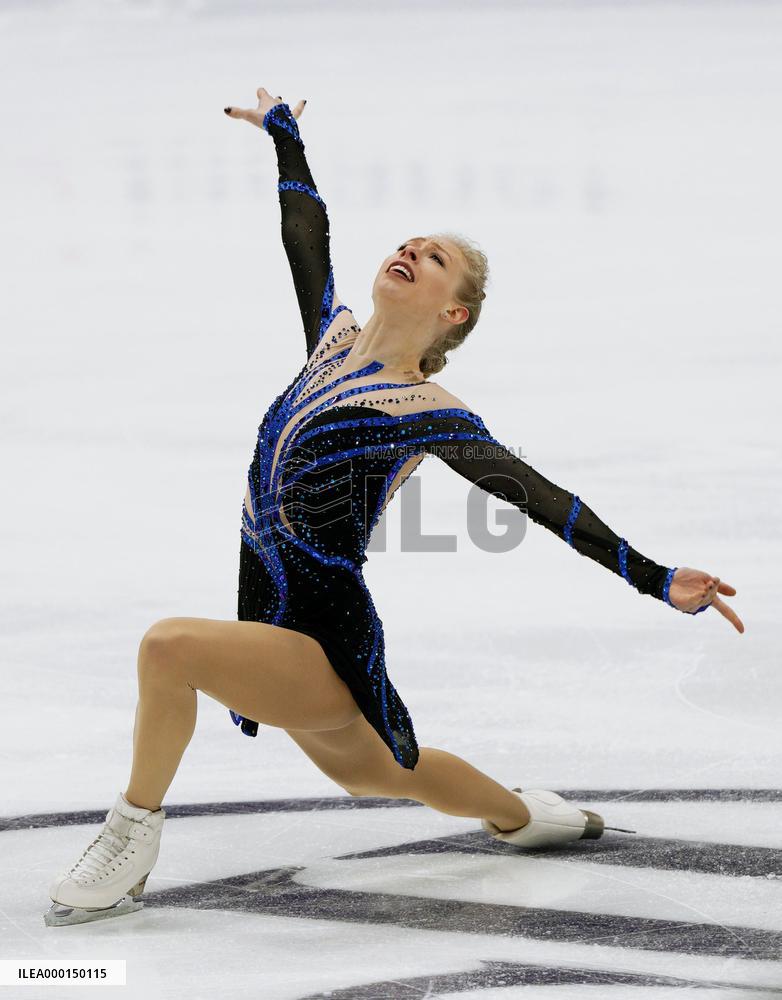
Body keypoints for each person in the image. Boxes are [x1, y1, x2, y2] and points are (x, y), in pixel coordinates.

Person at [44, 88, 743, 927]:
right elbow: (307, 238)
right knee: (384, 775)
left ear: (453, 313)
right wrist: (286, 141)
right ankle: (527, 816)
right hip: (277, 609)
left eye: (436, 258)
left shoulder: (428, 410)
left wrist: (655, 577)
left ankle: (131, 837)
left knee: (168, 650)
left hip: (318, 630)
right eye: (411, 241)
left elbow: (540, 499)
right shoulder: (334, 345)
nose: (412, 248)